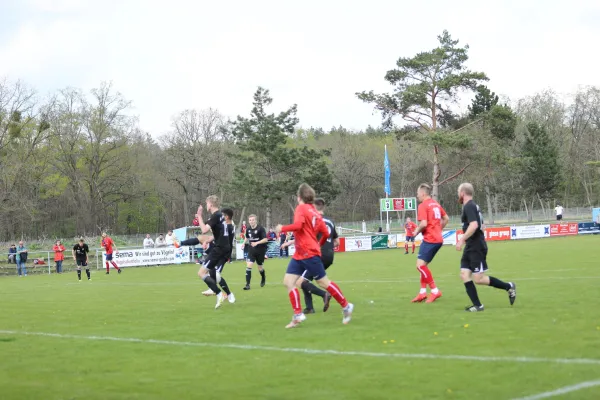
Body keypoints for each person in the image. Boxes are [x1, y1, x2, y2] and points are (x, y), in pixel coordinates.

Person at [276, 183, 353, 328]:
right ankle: (298, 315)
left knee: (324, 282)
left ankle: (346, 305)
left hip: (308, 253)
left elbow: (298, 225)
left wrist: (282, 228)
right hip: (301, 253)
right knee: (288, 281)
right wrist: (319, 244)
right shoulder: (315, 212)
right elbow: (325, 232)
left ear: (299, 197)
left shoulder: (301, 208)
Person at [456, 183, 516, 312]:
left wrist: (462, 239)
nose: (458, 195)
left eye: (458, 192)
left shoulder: (469, 206)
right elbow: (482, 226)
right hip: (471, 246)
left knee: (479, 279)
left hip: (476, 247)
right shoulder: (474, 206)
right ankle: (478, 306)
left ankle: (509, 286)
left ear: (462, 193)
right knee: (464, 274)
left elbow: (474, 225)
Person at [175, 196, 231, 309]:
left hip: (219, 249)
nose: (206, 206)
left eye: (207, 203)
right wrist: (208, 240)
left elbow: (204, 229)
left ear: (210, 204)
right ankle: (222, 293)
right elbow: (216, 234)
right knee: (212, 272)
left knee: (201, 273)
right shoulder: (220, 216)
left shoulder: (216, 216)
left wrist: (199, 216)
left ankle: (220, 294)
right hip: (224, 248)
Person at [282, 197, 336, 314]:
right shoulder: (330, 221)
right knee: (304, 279)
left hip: (315, 255)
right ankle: (309, 307)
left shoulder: (313, 219)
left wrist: (290, 241)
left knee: (300, 282)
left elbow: (306, 236)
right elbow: (336, 242)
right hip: (329, 255)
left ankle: (325, 295)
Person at [411, 183, 448, 304]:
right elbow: (446, 218)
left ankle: (435, 290)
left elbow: (423, 224)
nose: (417, 196)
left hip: (430, 239)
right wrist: (439, 229)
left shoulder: (423, 205)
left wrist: (416, 231)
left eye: (417, 194)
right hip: (437, 239)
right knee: (423, 266)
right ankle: (422, 293)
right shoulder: (435, 204)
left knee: (420, 266)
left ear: (422, 193)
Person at [200, 208, 237, 303]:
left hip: (224, 253)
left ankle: (227, 294)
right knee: (212, 272)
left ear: (227, 217)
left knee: (216, 274)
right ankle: (218, 291)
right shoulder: (227, 226)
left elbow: (222, 238)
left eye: (223, 216)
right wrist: (207, 241)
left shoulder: (229, 227)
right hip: (219, 250)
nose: (222, 218)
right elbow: (217, 236)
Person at [243, 215, 268, 290]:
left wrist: (257, 243)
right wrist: (244, 243)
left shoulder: (261, 229)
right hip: (251, 250)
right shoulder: (248, 229)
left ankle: (263, 277)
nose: (251, 221)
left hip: (260, 250)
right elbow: (247, 237)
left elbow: (265, 239)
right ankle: (247, 285)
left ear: (256, 220)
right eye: (250, 220)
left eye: (253, 220)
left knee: (260, 267)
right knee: (249, 265)